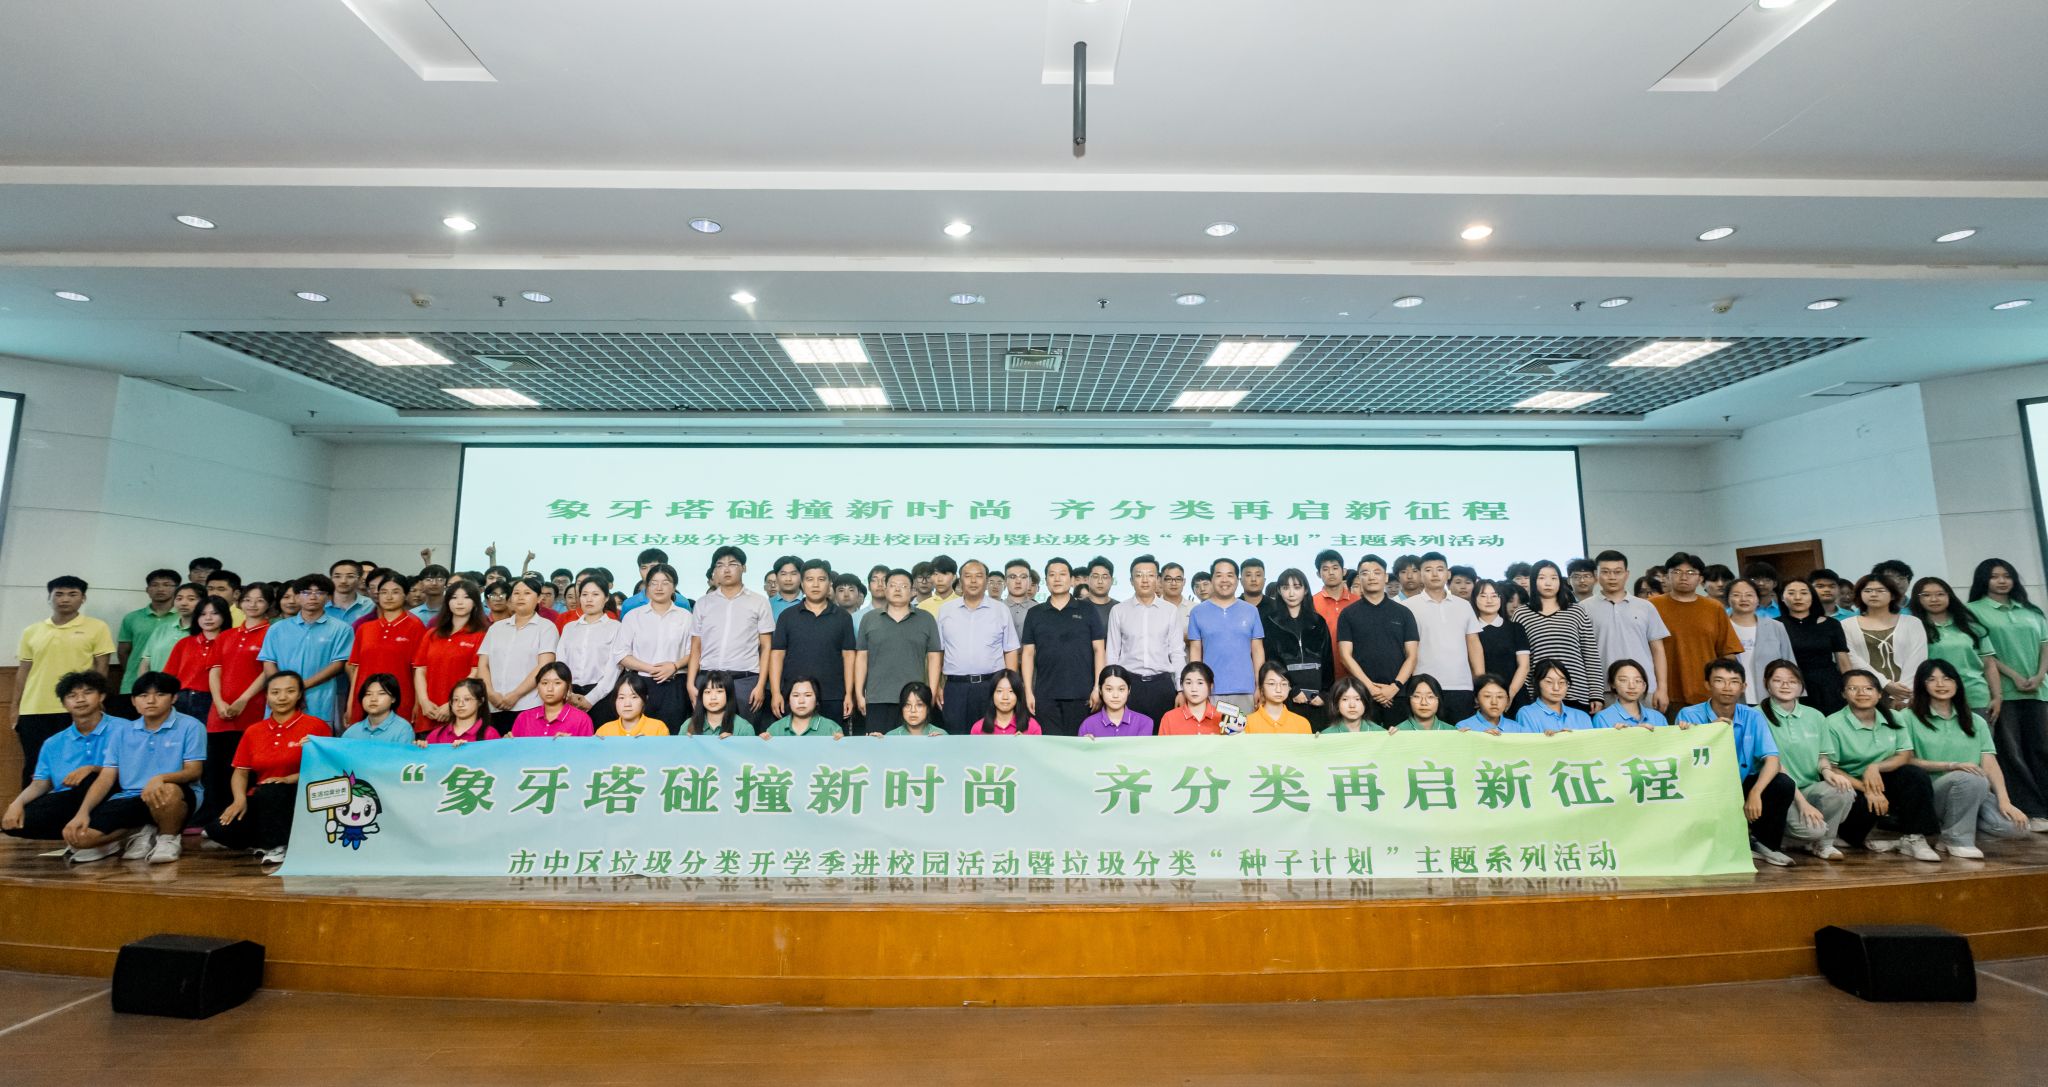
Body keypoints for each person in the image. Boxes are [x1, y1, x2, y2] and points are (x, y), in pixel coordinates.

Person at [61, 670, 207, 863]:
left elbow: (194, 771)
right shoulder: (122, 732)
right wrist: (82, 813)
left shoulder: (191, 726)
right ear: (133, 701)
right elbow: (106, 777)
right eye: (143, 695)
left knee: (167, 791)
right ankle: (139, 832)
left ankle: (167, 839)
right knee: (79, 838)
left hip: (175, 794)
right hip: (131, 796)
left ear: (174, 698)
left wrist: (160, 778)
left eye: (160, 694)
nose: (151, 701)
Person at [1674, 658, 1794, 866]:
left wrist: (1755, 792)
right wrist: (1709, 732)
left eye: (1734, 682)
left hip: (1740, 783)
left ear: (1743, 686)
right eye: (1719, 681)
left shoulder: (1752, 716)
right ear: (1707, 685)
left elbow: (1772, 759)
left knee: (1782, 784)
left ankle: (1766, 845)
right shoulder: (1689, 714)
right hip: (1704, 787)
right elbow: (1683, 762)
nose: (1727, 687)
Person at [1905, 659, 2030, 858]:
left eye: (1947, 678)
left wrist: (2005, 801)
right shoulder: (1907, 717)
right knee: (1969, 777)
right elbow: (1905, 761)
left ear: (1957, 683)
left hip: (1976, 790)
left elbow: (1989, 763)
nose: (1940, 684)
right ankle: (1957, 840)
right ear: (1922, 684)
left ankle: (1950, 832)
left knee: (2017, 828)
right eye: (1932, 679)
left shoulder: (1976, 721)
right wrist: (1952, 766)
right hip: (1933, 794)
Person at [204, 671, 329, 865]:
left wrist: (288, 779)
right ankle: (265, 840)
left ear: (299, 695)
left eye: (290, 691)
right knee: (218, 830)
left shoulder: (316, 726)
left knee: (272, 791)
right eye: (275, 692)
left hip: (301, 795)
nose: (282, 697)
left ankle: (277, 845)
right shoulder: (254, 731)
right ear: (267, 696)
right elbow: (240, 772)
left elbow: (325, 769)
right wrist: (239, 799)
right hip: (263, 796)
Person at [1823, 669, 1941, 861]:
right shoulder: (1833, 723)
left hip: (1881, 779)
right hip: (1852, 786)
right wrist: (1868, 789)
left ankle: (1914, 838)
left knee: (1914, 774)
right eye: (1853, 688)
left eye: (1868, 688)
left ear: (1879, 694)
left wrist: (1875, 767)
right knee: (1854, 824)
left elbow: (1904, 755)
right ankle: (1849, 836)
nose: (1861, 693)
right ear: (1843, 694)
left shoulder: (1894, 716)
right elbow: (1832, 768)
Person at [1965, 558, 2048, 831]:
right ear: (1983, 580)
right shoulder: (1972, 610)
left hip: (2038, 690)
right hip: (2002, 692)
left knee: (2041, 748)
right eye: (1994, 576)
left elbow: (2045, 646)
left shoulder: (2031, 610)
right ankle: (2031, 810)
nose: (2002, 581)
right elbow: (1985, 654)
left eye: (2006, 575)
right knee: (2011, 753)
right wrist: (2013, 676)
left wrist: (2039, 675)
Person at [14, 575, 115, 788]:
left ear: (83, 598)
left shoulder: (97, 627)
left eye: (72, 594)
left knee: (75, 766)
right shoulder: (32, 631)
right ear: (49, 598)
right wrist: (15, 707)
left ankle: (71, 809)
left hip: (77, 708)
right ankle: (30, 809)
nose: (65, 599)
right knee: (34, 766)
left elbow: (102, 668)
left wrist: (97, 701)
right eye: (58, 594)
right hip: (34, 708)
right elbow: (23, 671)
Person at [1758, 659, 1854, 861]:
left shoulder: (1815, 716)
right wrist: (1802, 803)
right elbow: (1773, 764)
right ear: (1767, 684)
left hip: (1809, 787)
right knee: (1812, 830)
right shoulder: (1756, 715)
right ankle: (1785, 836)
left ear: (1801, 686)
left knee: (1843, 789)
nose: (1785, 685)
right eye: (1778, 680)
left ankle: (1823, 844)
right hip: (1779, 792)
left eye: (1792, 681)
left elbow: (1822, 756)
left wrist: (1827, 772)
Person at [3, 671, 114, 845]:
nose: (80, 699)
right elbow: (40, 783)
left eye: (87, 692)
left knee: (90, 779)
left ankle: (114, 833)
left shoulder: (125, 729)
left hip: (114, 794)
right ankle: (82, 836)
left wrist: (93, 768)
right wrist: (17, 803)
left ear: (101, 696)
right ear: (64, 704)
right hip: (69, 798)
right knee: (19, 822)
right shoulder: (53, 743)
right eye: (72, 696)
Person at [688, 545, 775, 724]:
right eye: (720, 565)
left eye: (732, 564)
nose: (726, 569)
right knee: (707, 731)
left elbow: (766, 647)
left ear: (744, 567)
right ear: (714, 571)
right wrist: (690, 683)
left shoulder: (759, 602)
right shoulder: (703, 603)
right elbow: (696, 646)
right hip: (708, 679)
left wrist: (760, 685)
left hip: (745, 680)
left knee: (746, 733)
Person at [1020, 557, 1107, 737]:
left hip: (1082, 695)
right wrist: (1028, 692)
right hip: (1045, 696)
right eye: (1052, 575)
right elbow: (1028, 654)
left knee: (1079, 746)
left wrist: (1097, 688)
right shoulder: (1034, 613)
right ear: (1046, 581)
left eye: (1062, 574)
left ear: (1072, 579)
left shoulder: (1087, 610)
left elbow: (1099, 650)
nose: (1057, 579)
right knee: (1050, 747)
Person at [935, 560, 1022, 732]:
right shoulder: (946, 611)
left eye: (979, 576)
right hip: (955, 687)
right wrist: (937, 685)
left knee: (989, 736)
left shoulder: (1000, 610)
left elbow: (1010, 650)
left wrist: (1010, 686)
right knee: (955, 736)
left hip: (991, 686)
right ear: (960, 580)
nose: (973, 581)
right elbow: (938, 652)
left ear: (986, 580)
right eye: (968, 576)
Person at [258, 574, 355, 725]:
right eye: (306, 592)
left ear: (329, 598)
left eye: (319, 592)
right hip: (281, 698)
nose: (313, 597)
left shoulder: (341, 629)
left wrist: (300, 686)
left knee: (316, 734)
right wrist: (282, 688)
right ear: (297, 597)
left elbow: (338, 664)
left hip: (319, 698)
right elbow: (269, 661)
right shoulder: (277, 628)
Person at [1651, 552, 1744, 708]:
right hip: (1665, 693)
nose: (1683, 577)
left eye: (1690, 572)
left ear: (1700, 579)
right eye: (1677, 572)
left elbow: (1727, 653)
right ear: (1666, 577)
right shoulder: (1651, 606)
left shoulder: (1714, 608)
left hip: (1708, 692)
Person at [855, 569, 942, 735]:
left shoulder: (926, 619)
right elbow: (861, 657)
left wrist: (931, 692)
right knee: (878, 745)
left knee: (913, 747)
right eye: (892, 585)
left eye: (903, 586)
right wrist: (859, 693)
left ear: (912, 591)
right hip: (878, 697)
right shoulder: (869, 618)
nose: (897, 589)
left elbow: (934, 658)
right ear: (885, 589)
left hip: (914, 700)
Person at [770, 559, 857, 725]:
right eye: (810, 579)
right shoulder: (787, 616)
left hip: (833, 696)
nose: (815, 585)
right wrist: (775, 693)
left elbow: (849, 656)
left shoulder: (843, 617)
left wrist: (849, 694)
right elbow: (777, 655)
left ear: (829, 584)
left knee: (833, 740)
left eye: (821, 579)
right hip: (795, 695)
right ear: (802, 583)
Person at [1585, 551, 1672, 713]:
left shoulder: (1646, 606)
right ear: (1596, 575)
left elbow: (1658, 650)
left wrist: (1662, 688)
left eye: (1617, 572)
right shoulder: (1583, 608)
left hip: (1644, 688)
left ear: (1627, 574)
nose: (1612, 577)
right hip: (1603, 691)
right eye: (1606, 572)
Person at [1104, 554, 1186, 726]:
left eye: (1150, 575)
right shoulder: (1119, 611)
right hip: (1129, 685)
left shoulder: (1170, 610)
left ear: (1158, 579)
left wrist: (1181, 689)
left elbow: (1177, 652)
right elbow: (1112, 653)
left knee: (1162, 736)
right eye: (1139, 575)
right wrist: (1111, 688)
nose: (1145, 580)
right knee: (1129, 735)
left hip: (1162, 684)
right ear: (1131, 580)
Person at [1399, 552, 1481, 723]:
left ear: (1448, 573)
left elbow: (1474, 644)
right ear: (1421, 575)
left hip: (1461, 685)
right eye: (1428, 570)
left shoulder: (1464, 605)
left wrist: (1481, 683)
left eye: (1440, 569)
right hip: (1422, 687)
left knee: (1461, 735)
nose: (1435, 574)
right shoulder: (1407, 607)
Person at [1335, 555, 1415, 725]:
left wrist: (1394, 687)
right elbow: (1345, 656)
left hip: (1397, 694)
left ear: (1385, 577)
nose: (1371, 577)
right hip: (1362, 695)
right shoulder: (1348, 614)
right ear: (1359, 578)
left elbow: (1412, 656)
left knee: (1399, 740)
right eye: (1365, 573)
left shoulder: (1404, 613)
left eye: (1377, 572)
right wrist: (1371, 688)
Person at [1515, 560, 1603, 712]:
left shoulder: (1576, 611)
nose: (1548, 583)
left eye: (1554, 578)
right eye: (1542, 578)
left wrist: (1596, 694)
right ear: (1533, 581)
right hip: (1537, 695)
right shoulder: (1522, 614)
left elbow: (1590, 655)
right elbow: (1520, 661)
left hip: (1577, 692)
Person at [475, 576, 560, 733]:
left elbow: (545, 665)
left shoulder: (546, 627)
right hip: (494, 705)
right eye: (516, 593)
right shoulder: (496, 628)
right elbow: (483, 664)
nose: (520, 597)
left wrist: (515, 694)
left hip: (529, 704)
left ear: (539, 598)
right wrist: (491, 693)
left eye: (527, 593)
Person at [1915, 576, 2001, 727]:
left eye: (1940, 594)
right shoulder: (1913, 629)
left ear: (1949, 596)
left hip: (1975, 695)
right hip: (1933, 698)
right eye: (1926, 595)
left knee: (1981, 740)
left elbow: (1989, 664)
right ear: (1918, 599)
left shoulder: (1971, 627)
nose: (1934, 599)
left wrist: (1997, 697)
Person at [616, 563, 694, 728]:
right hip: (641, 684)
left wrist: (674, 666)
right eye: (653, 583)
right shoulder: (633, 616)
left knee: (673, 732)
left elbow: (693, 652)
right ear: (647, 586)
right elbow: (621, 654)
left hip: (675, 684)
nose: (659, 587)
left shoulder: (686, 617)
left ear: (674, 587)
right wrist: (651, 669)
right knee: (640, 732)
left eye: (665, 583)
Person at [343, 572, 425, 727]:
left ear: (405, 595)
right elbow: (357, 670)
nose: (389, 597)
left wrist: (417, 704)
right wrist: (350, 704)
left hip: (401, 699)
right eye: (384, 592)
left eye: (395, 592)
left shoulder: (416, 627)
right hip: (366, 699)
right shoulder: (365, 628)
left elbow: (418, 670)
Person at [1256, 567, 1332, 728]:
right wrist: (1292, 689)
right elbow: (1271, 662)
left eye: (1297, 587)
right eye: (1285, 588)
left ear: (1305, 590)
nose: (1291, 593)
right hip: (1286, 695)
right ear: (1279, 591)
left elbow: (1327, 660)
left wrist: (1325, 693)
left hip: (1318, 697)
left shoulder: (1318, 622)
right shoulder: (1270, 622)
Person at [413, 579, 489, 731]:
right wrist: (424, 701)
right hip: (429, 711)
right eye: (454, 597)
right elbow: (420, 670)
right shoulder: (432, 634)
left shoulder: (481, 635)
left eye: (466, 597)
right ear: (447, 602)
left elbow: (475, 672)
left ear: (475, 602)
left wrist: (451, 704)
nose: (459, 602)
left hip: (462, 712)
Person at [1842, 574, 1926, 709]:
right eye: (1868, 591)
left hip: (1907, 693)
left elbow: (1917, 658)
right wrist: (1885, 684)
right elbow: (1851, 658)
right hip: (1865, 693)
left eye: (1880, 590)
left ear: (1892, 595)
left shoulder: (1912, 623)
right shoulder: (1846, 625)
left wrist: (1902, 695)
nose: (1873, 594)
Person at [557, 575, 626, 725]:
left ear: (606, 598)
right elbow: (561, 662)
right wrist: (567, 693)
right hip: (570, 695)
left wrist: (591, 699)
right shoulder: (569, 628)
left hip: (602, 696)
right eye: (584, 595)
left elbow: (614, 669)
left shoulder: (616, 627)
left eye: (595, 594)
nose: (589, 599)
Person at [1777, 577, 1850, 715]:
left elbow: (1842, 658)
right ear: (1782, 597)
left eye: (1804, 593)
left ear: (1812, 597)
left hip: (1828, 685)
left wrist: (1850, 685)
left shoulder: (1831, 624)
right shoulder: (1775, 625)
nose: (1798, 597)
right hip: (1791, 685)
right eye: (1791, 593)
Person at [1726, 579, 1796, 704]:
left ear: (1758, 599)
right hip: (1731, 698)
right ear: (1728, 599)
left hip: (1771, 697)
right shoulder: (1721, 628)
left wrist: (1793, 696)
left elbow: (1789, 663)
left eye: (1749, 595)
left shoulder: (1776, 627)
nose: (1743, 599)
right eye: (1736, 595)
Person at [163, 594, 230, 722]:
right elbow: (168, 676)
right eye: (202, 614)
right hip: (182, 699)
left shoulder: (230, 643)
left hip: (214, 700)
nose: (208, 618)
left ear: (224, 616)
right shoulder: (185, 643)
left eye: (214, 613)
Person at [116, 569, 182, 695]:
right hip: (133, 683)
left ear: (177, 589)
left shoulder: (184, 618)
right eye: (154, 585)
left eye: (167, 585)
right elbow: (123, 652)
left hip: (172, 683)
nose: (160, 589)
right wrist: (131, 672)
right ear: (147, 590)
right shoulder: (132, 617)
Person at [1469, 580, 1532, 711]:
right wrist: (1483, 695)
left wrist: (1509, 694)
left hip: (1515, 694)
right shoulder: (1470, 631)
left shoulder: (1516, 628)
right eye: (1483, 596)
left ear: (1500, 599)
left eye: (1494, 596)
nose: (1489, 600)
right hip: (1483, 697)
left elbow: (1524, 666)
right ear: (1474, 599)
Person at [509, 662, 595, 737]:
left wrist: (569, 744)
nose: (549, 688)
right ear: (537, 687)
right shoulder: (524, 718)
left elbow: (587, 750)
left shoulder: (582, 719)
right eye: (544, 683)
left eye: (557, 683)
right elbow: (515, 750)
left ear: (568, 687)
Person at [1512, 660, 1597, 734]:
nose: (1556, 688)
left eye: (1561, 682)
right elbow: (1529, 746)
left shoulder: (1583, 716)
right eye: (1549, 682)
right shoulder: (1526, 713)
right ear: (1536, 683)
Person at [1311, 549, 1359, 666]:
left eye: (1335, 568)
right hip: (1323, 668)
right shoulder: (1310, 603)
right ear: (1318, 574)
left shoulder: (1358, 602)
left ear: (1344, 571)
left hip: (1356, 668)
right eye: (1325, 569)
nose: (1331, 573)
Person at [1078, 665, 1154, 737]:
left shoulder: (1144, 723)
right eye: (1109, 689)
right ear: (1100, 690)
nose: (1115, 695)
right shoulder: (1088, 725)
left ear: (1129, 690)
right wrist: (1085, 745)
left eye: (1121, 689)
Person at [1592, 660, 1669, 728]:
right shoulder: (1602, 718)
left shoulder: (1658, 717)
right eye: (1623, 680)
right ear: (1612, 684)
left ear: (1644, 686)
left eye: (1637, 681)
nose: (1632, 686)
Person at [1158, 661, 1228, 735]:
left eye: (1200, 683)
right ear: (1181, 686)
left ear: (1210, 686)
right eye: (1188, 683)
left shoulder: (1223, 717)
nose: (1194, 689)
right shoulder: (1169, 718)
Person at [343, 673, 415, 744]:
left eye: (381, 693)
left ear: (393, 698)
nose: (373, 699)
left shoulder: (403, 729)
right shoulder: (352, 732)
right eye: (368, 694)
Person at [1244, 661, 1313, 734]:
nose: (1278, 690)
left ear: (1289, 688)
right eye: (1272, 683)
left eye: (1283, 684)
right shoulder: (1246, 723)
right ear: (1261, 688)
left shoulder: (1302, 724)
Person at [765, 676, 845, 737]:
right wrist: (763, 743)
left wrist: (841, 745)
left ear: (817, 700)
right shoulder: (775, 729)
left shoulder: (831, 729)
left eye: (808, 695)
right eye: (796, 695)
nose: (801, 701)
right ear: (789, 700)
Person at [593, 673, 670, 737]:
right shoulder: (604, 731)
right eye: (621, 697)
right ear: (615, 700)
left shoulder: (658, 728)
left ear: (644, 699)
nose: (627, 704)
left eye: (634, 697)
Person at [687, 673, 759, 737]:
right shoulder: (688, 725)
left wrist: (735, 743)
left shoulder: (744, 728)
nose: (713, 697)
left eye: (719, 691)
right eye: (708, 692)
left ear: (728, 694)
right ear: (701, 696)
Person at [968, 670, 1039, 735]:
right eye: (999, 691)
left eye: (1011, 691)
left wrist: (1025, 742)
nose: (1005, 697)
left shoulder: (1032, 727)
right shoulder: (978, 728)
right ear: (992, 695)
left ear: (1018, 695)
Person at [617, 547, 671, 616]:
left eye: (653, 567)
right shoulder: (629, 604)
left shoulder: (680, 602)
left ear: (666, 568)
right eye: (644, 568)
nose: (648, 572)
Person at [1001, 559, 1037, 636]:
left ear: (1030, 581)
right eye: (1012, 577)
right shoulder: (996, 609)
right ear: (1005, 581)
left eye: (1023, 577)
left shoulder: (1039, 610)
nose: (1018, 581)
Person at [1080, 556, 1118, 628]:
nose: (1100, 581)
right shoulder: (1077, 607)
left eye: (1105, 577)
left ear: (1112, 581)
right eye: (1095, 576)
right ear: (1088, 579)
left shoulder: (1119, 608)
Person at [767, 555, 804, 619]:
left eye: (793, 574)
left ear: (802, 576)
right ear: (776, 576)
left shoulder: (811, 603)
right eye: (783, 574)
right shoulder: (766, 604)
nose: (788, 579)